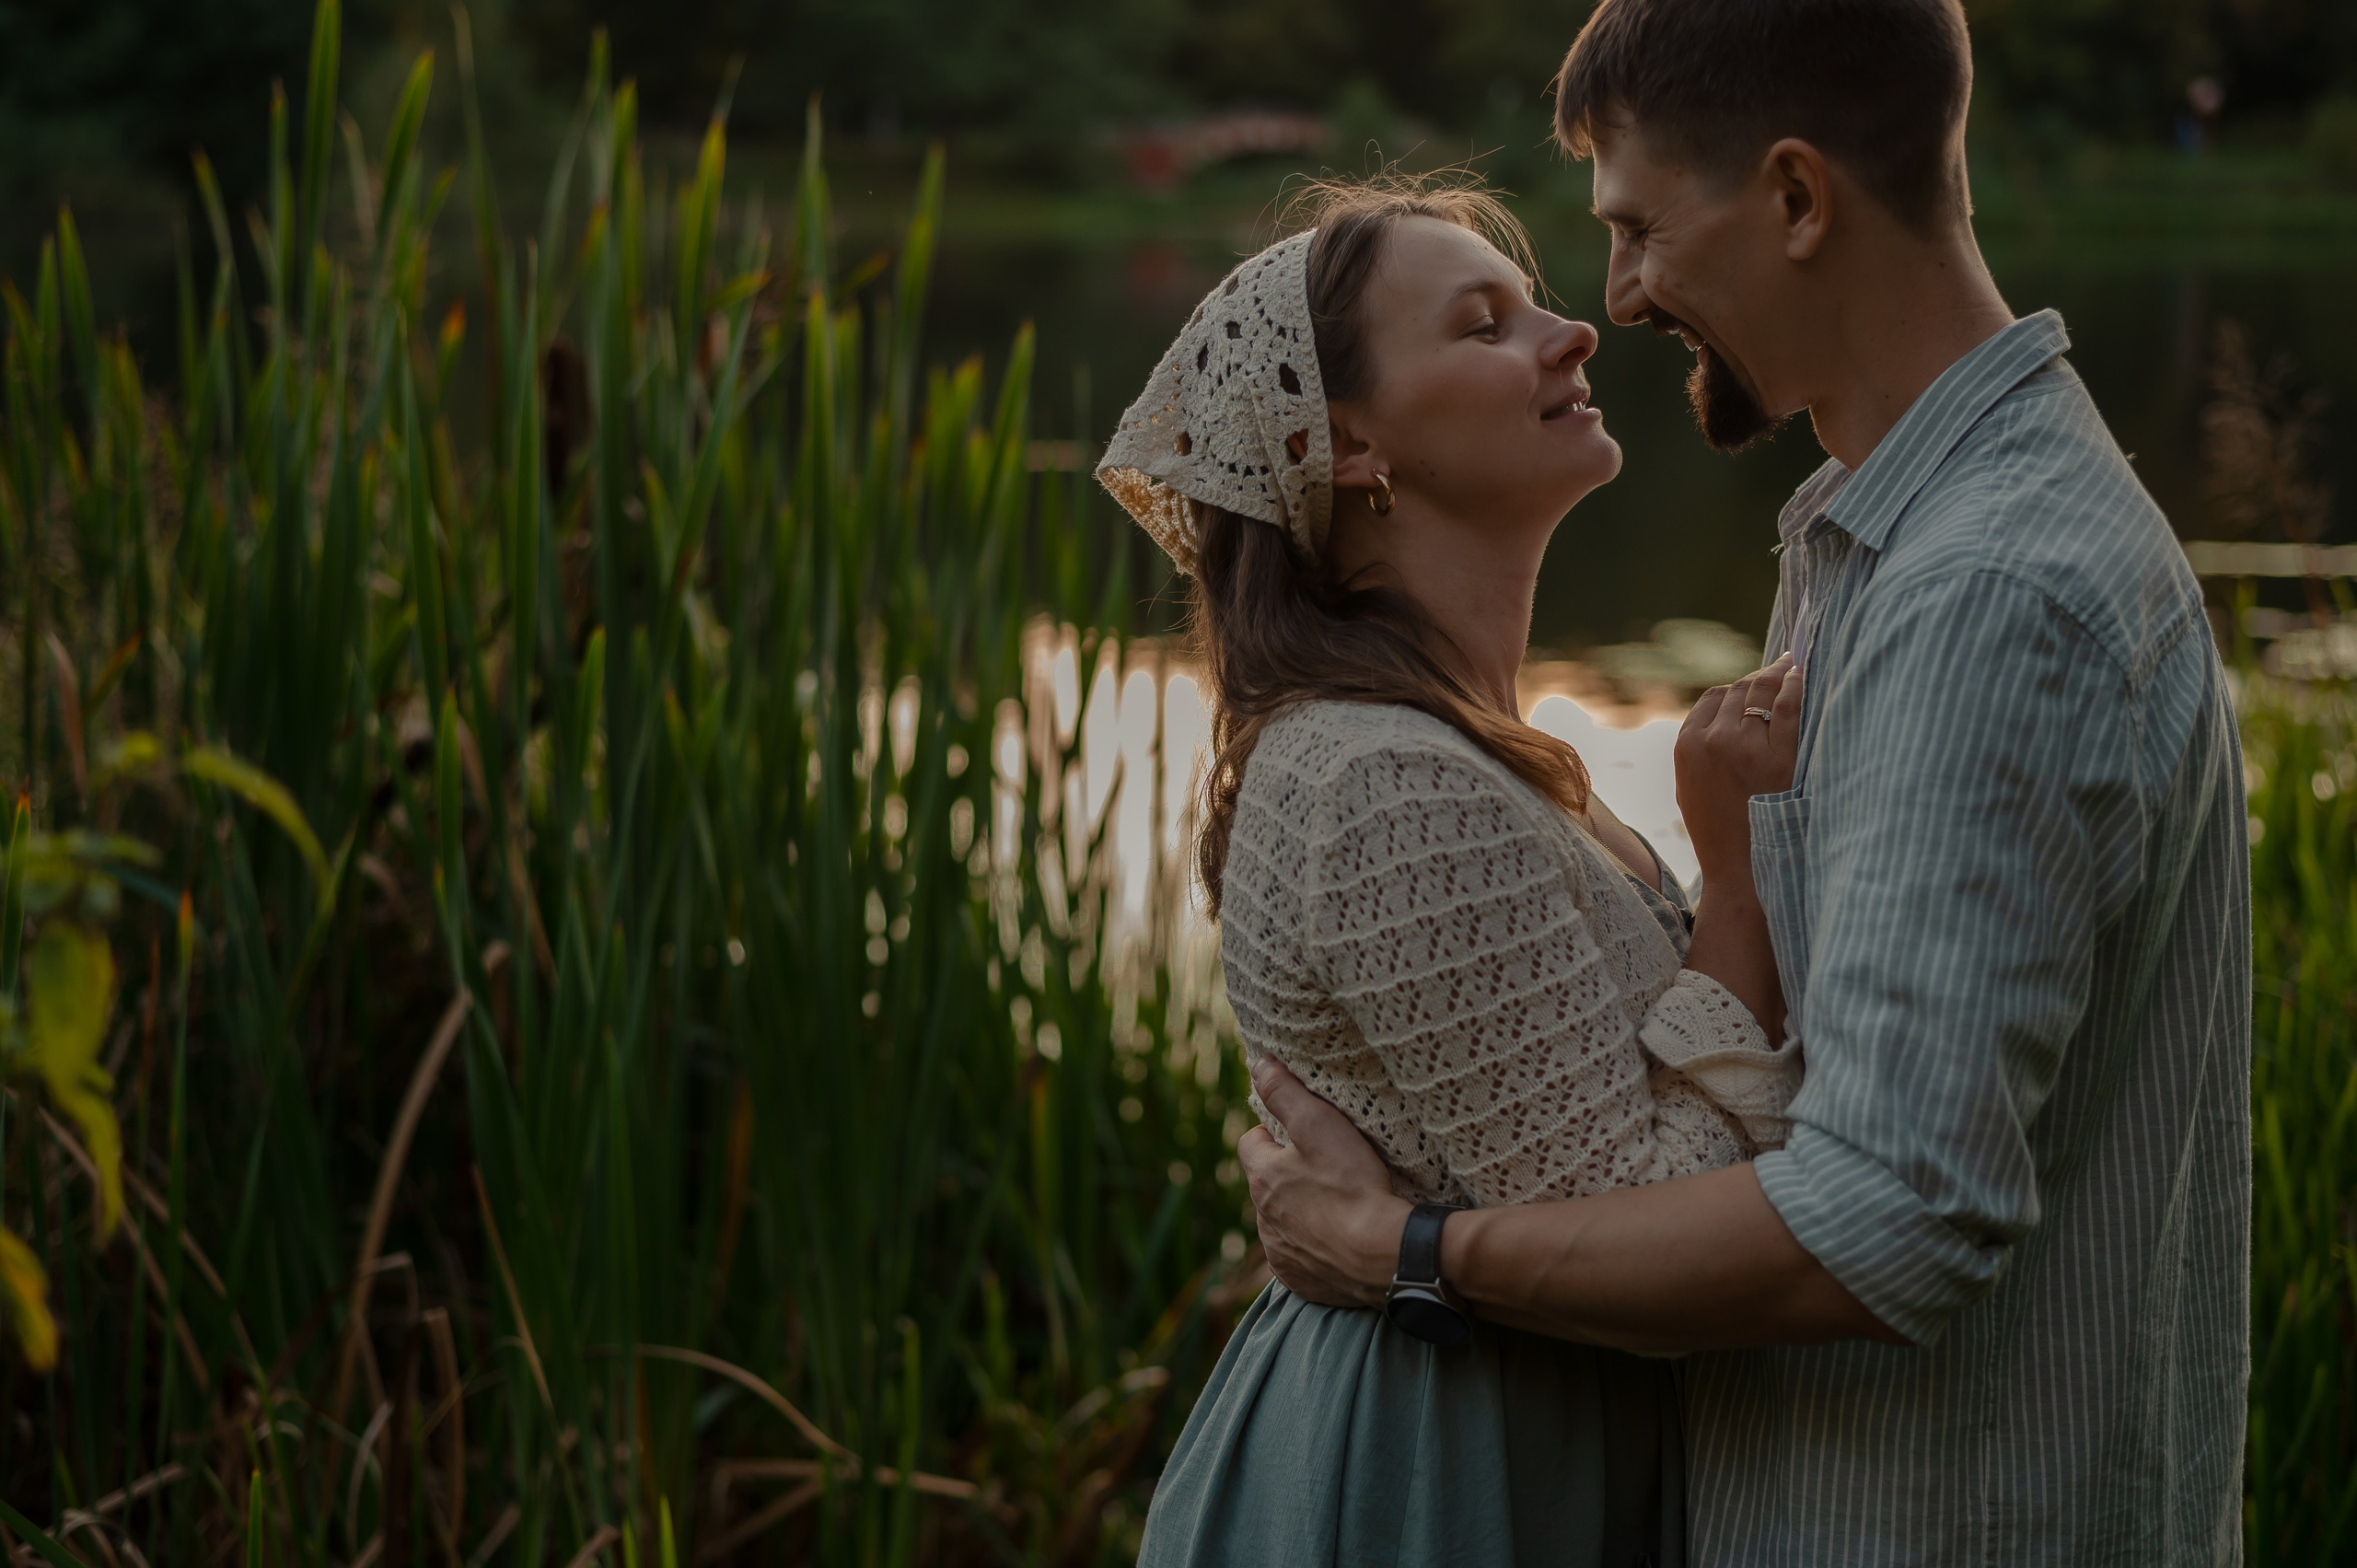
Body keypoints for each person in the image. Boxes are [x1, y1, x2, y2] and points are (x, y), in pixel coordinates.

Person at [1237, 1, 2253, 1565]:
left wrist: (1413, 1252)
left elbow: (1888, 1222)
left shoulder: (1987, 589)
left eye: (1637, 228)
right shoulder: (1870, 540)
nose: (1618, 297)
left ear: (1795, 198)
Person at [1096, 174, 1823, 1567]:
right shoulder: (1383, 786)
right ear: (1351, 443)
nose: (1574, 335)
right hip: (1440, 1480)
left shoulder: (1463, 758)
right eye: (1486, 326)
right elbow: (1639, 1222)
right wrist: (1730, 879)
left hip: (1511, 1440)